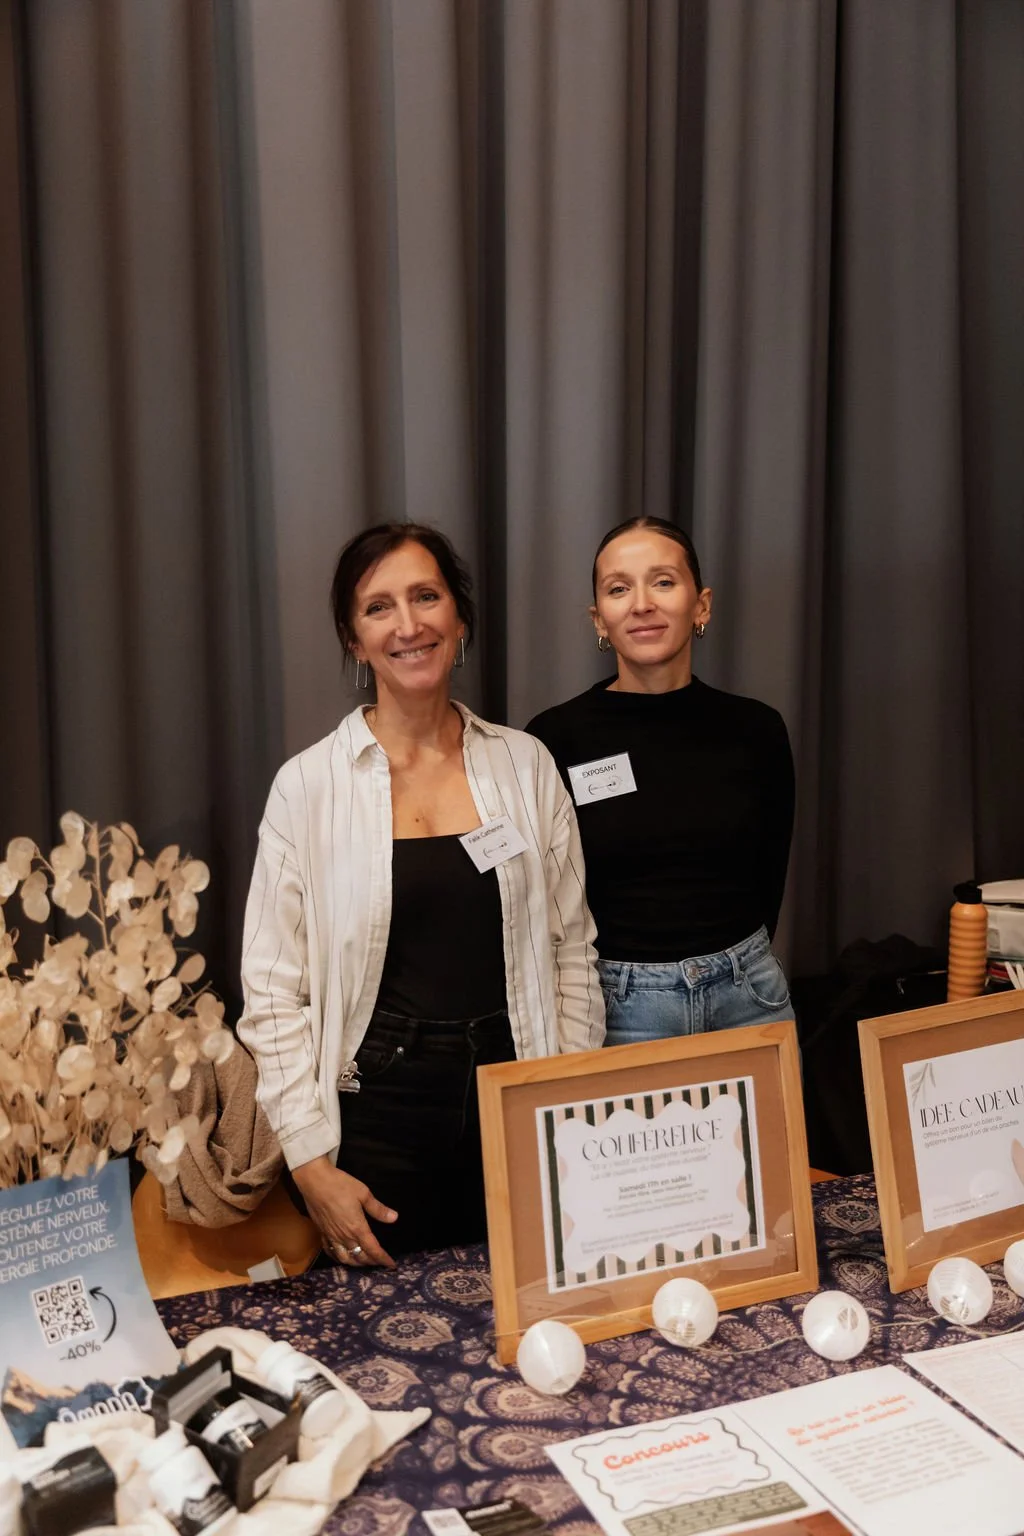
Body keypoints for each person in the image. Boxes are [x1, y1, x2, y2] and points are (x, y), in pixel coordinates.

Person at [239, 523, 604, 1268]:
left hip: (515, 1090)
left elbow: (572, 950)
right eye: (379, 607)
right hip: (378, 1112)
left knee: (532, 1304)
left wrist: (568, 1105)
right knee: (383, 1327)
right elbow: (272, 994)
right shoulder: (307, 787)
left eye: (426, 597)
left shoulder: (527, 765)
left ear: (458, 619)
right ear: (355, 640)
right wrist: (309, 1163)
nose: (408, 625)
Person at [527, 516, 794, 1047]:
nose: (642, 604)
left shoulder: (757, 728)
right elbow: (543, 899)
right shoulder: (554, 738)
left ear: (702, 605)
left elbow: (771, 877)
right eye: (618, 589)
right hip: (617, 1009)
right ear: (599, 619)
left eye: (664, 582)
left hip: (750, 998)